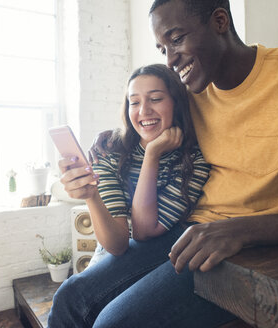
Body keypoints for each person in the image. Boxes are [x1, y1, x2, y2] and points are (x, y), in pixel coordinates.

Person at [81, 0, 278, 326]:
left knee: (112, 323)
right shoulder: (190, 89)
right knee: (72, 299)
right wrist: (114, 137)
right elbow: (147, 117)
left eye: (177, 39)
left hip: (253, 242)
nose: (170, 60)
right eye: (162, 48)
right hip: (185, 230)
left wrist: (240, 230)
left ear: (220, 21)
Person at [48, 64, 236, 328]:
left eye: (156, 99)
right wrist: (91, 195)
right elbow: (117, 244)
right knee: (68, 297)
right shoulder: (109, 151)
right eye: (134, 102)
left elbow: (144, 230)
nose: (144, 111)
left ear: (176, 103)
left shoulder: (194, 160)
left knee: (108, 319)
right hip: (116, 246)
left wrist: (152, 155)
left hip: (166, 239)